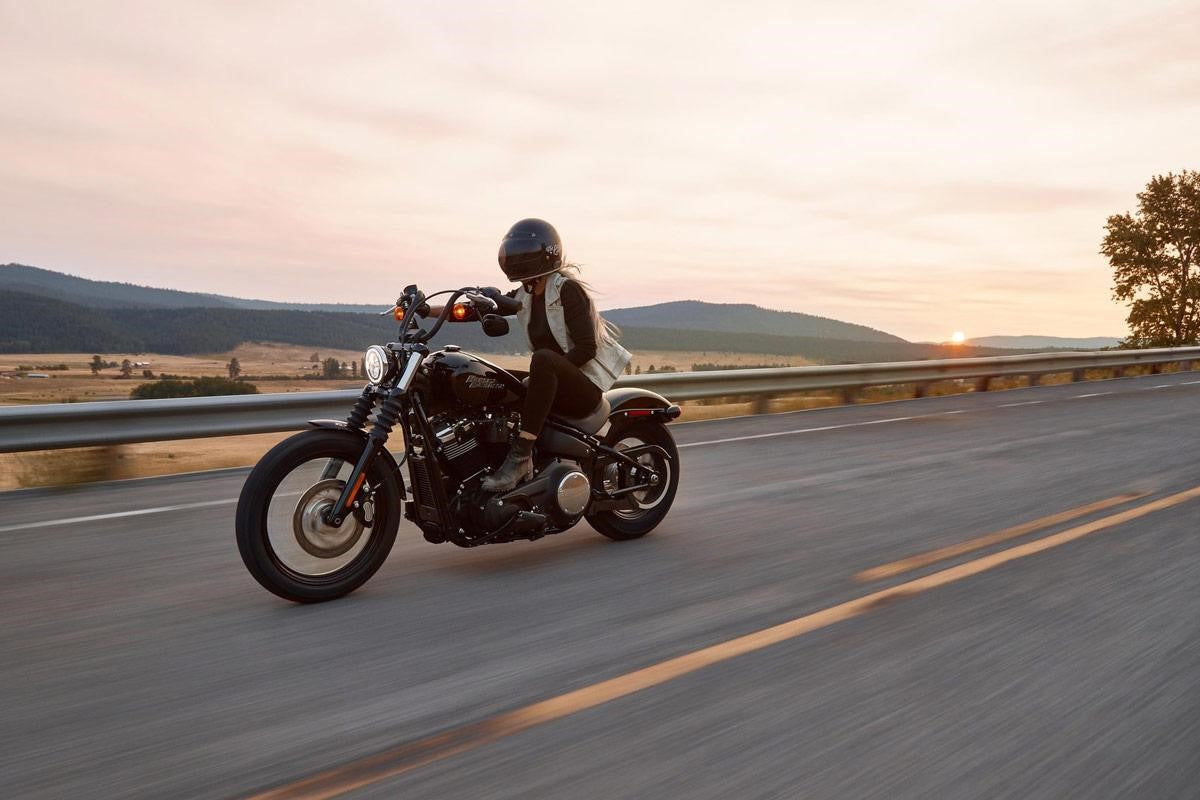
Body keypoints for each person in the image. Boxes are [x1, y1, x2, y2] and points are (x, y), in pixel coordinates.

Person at [479, 218, 631, 491]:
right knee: (495, 380)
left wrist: (552, 371)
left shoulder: (566, 290)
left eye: (523, 252)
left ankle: (520, 457)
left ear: (544, 254)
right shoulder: (525, 294)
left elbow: (587, 348)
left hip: (583, 390)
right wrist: (424, 309)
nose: (516, 259)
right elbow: (479, 309)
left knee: (543, 359)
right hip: (556, 382)